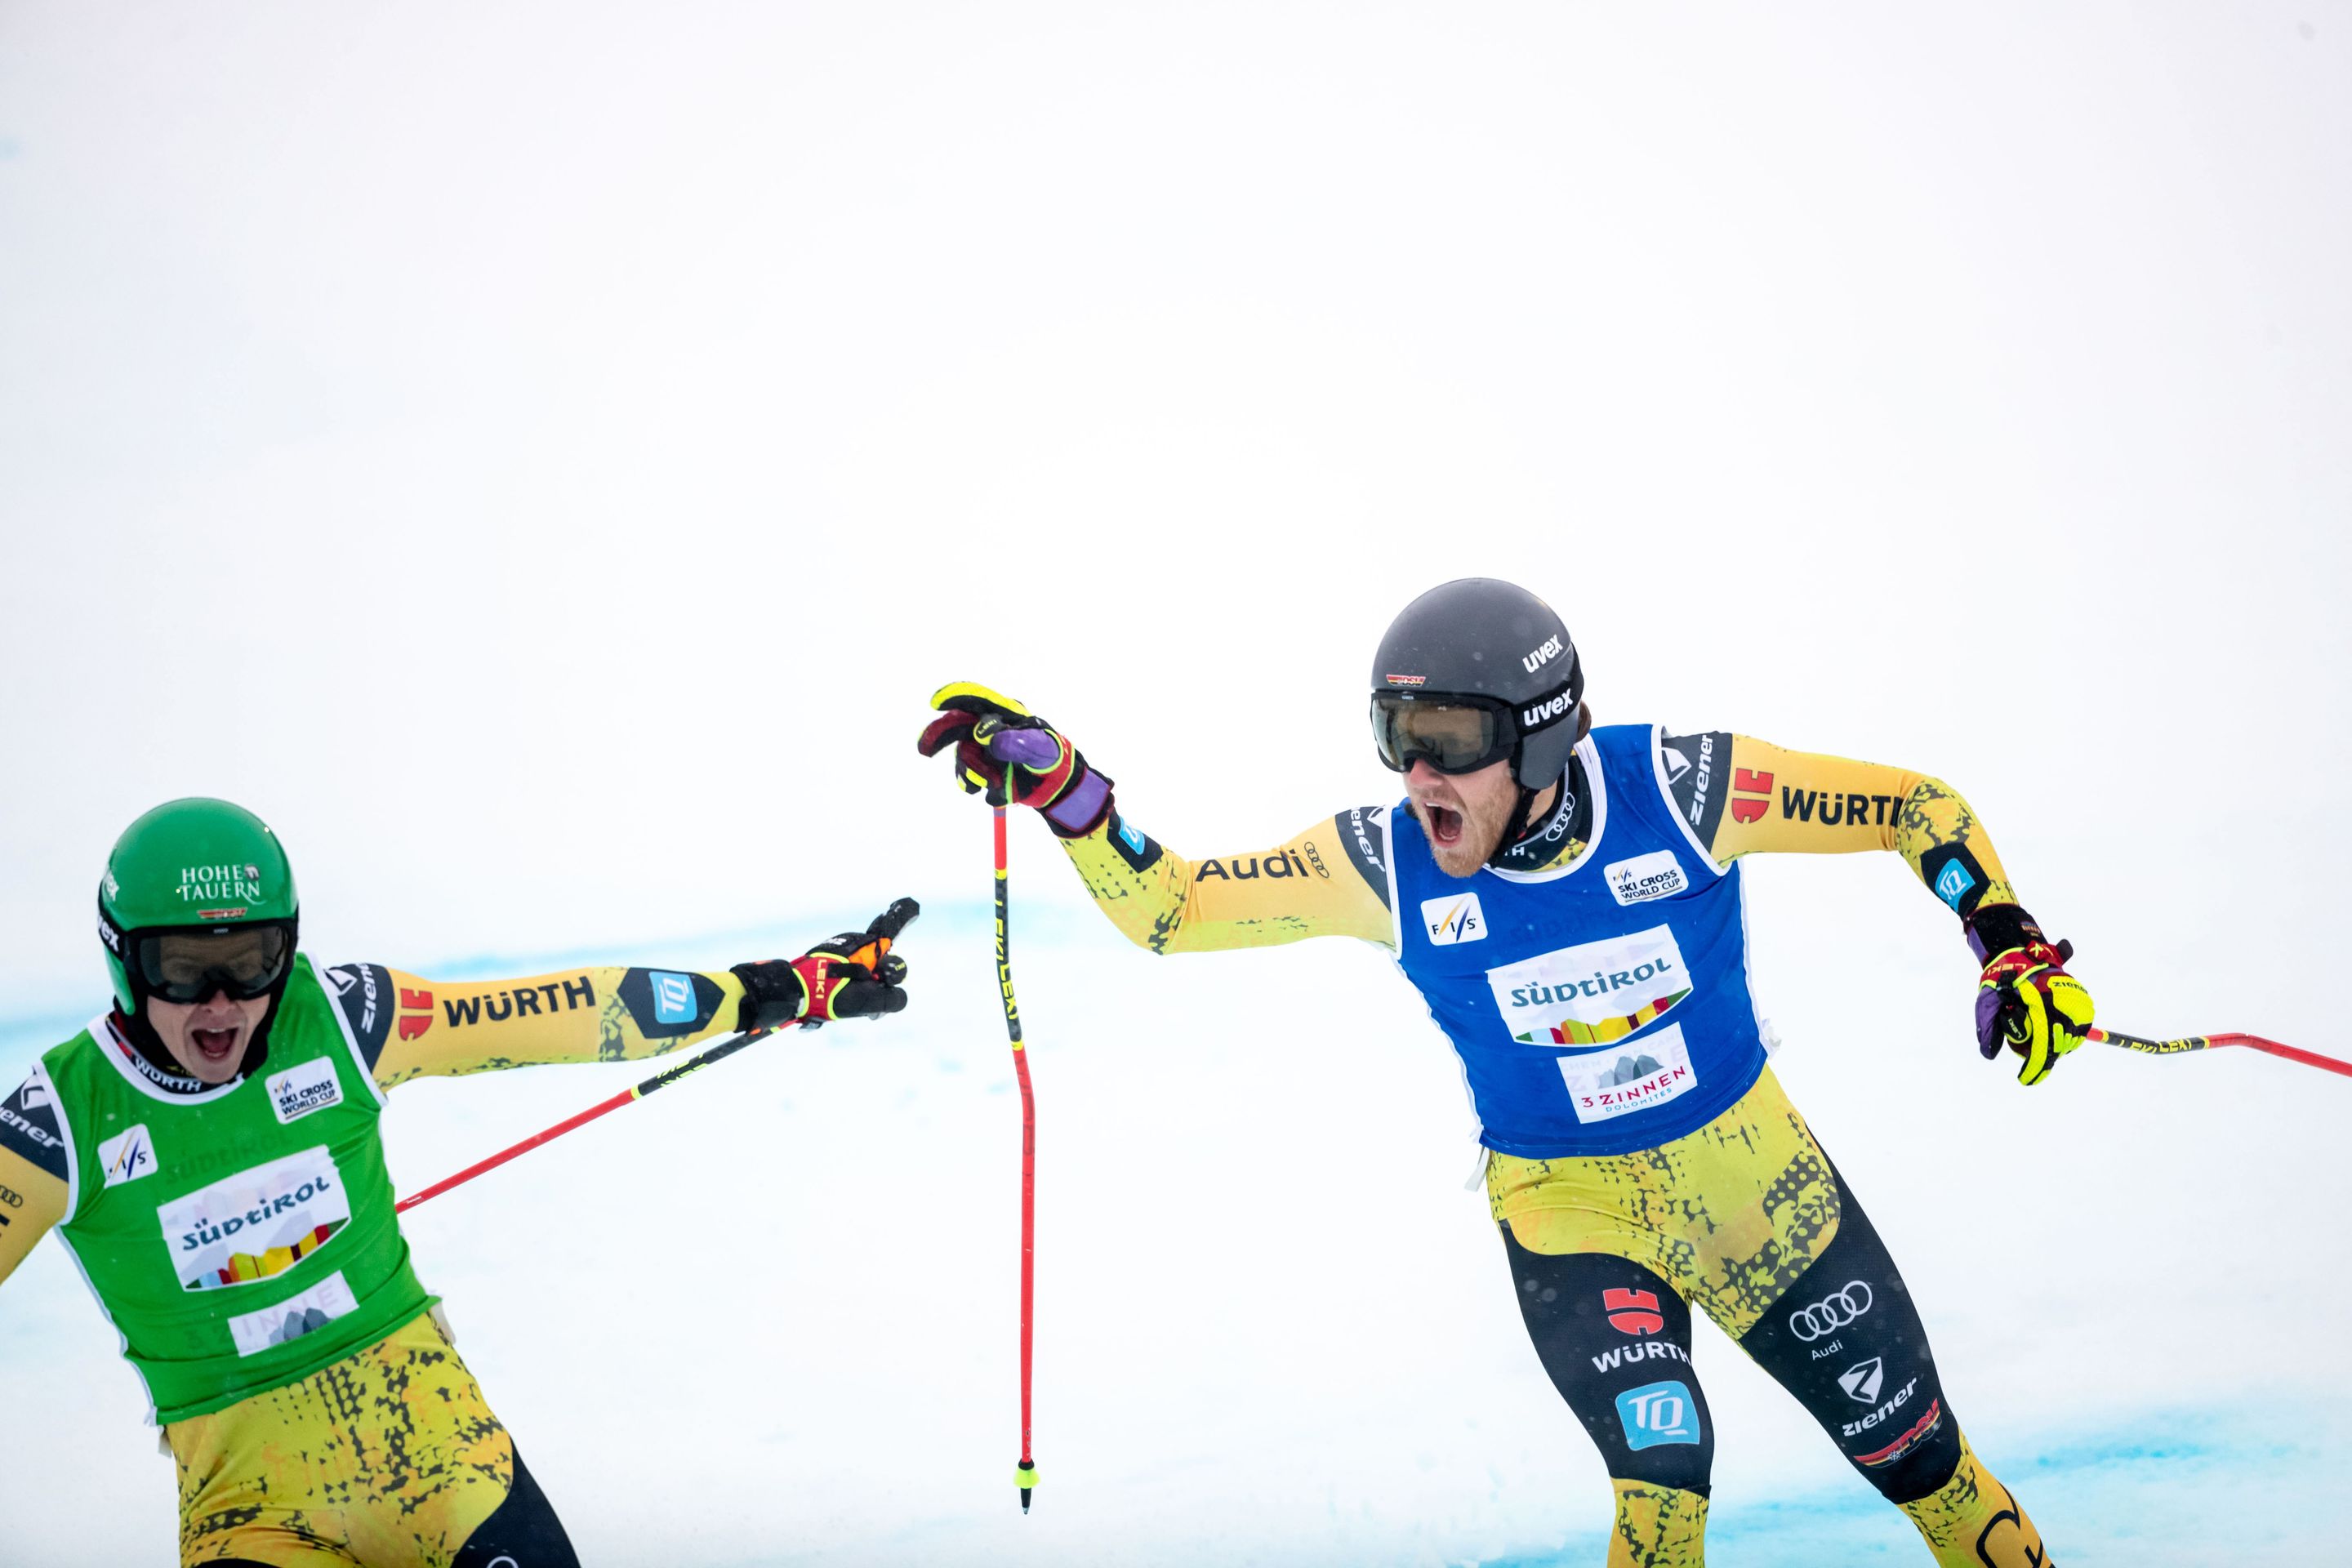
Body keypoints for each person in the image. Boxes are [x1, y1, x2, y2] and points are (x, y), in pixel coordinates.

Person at [919, 577, 2086, 1568]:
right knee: (1664, 1485)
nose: (1421, 776)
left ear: (1538, 736)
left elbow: (1913, 806)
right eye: (1398, 738)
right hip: (1570, 1209)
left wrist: (2006, 939)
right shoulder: (1381, 863)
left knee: (1932, 1474)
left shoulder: (1684, 793)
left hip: (1755, 1191)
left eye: (1453, 744)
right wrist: (1072, 795)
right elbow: (1175, 912)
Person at [0, 797, 915, 1568]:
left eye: (251, 962)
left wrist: (769, 988)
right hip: (252, 1513)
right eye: (184, 968)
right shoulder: (59, 1120)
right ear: (125, 961)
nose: (222, 1003)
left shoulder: (349, 1020)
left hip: (438, 1455)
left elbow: (569, 1009)